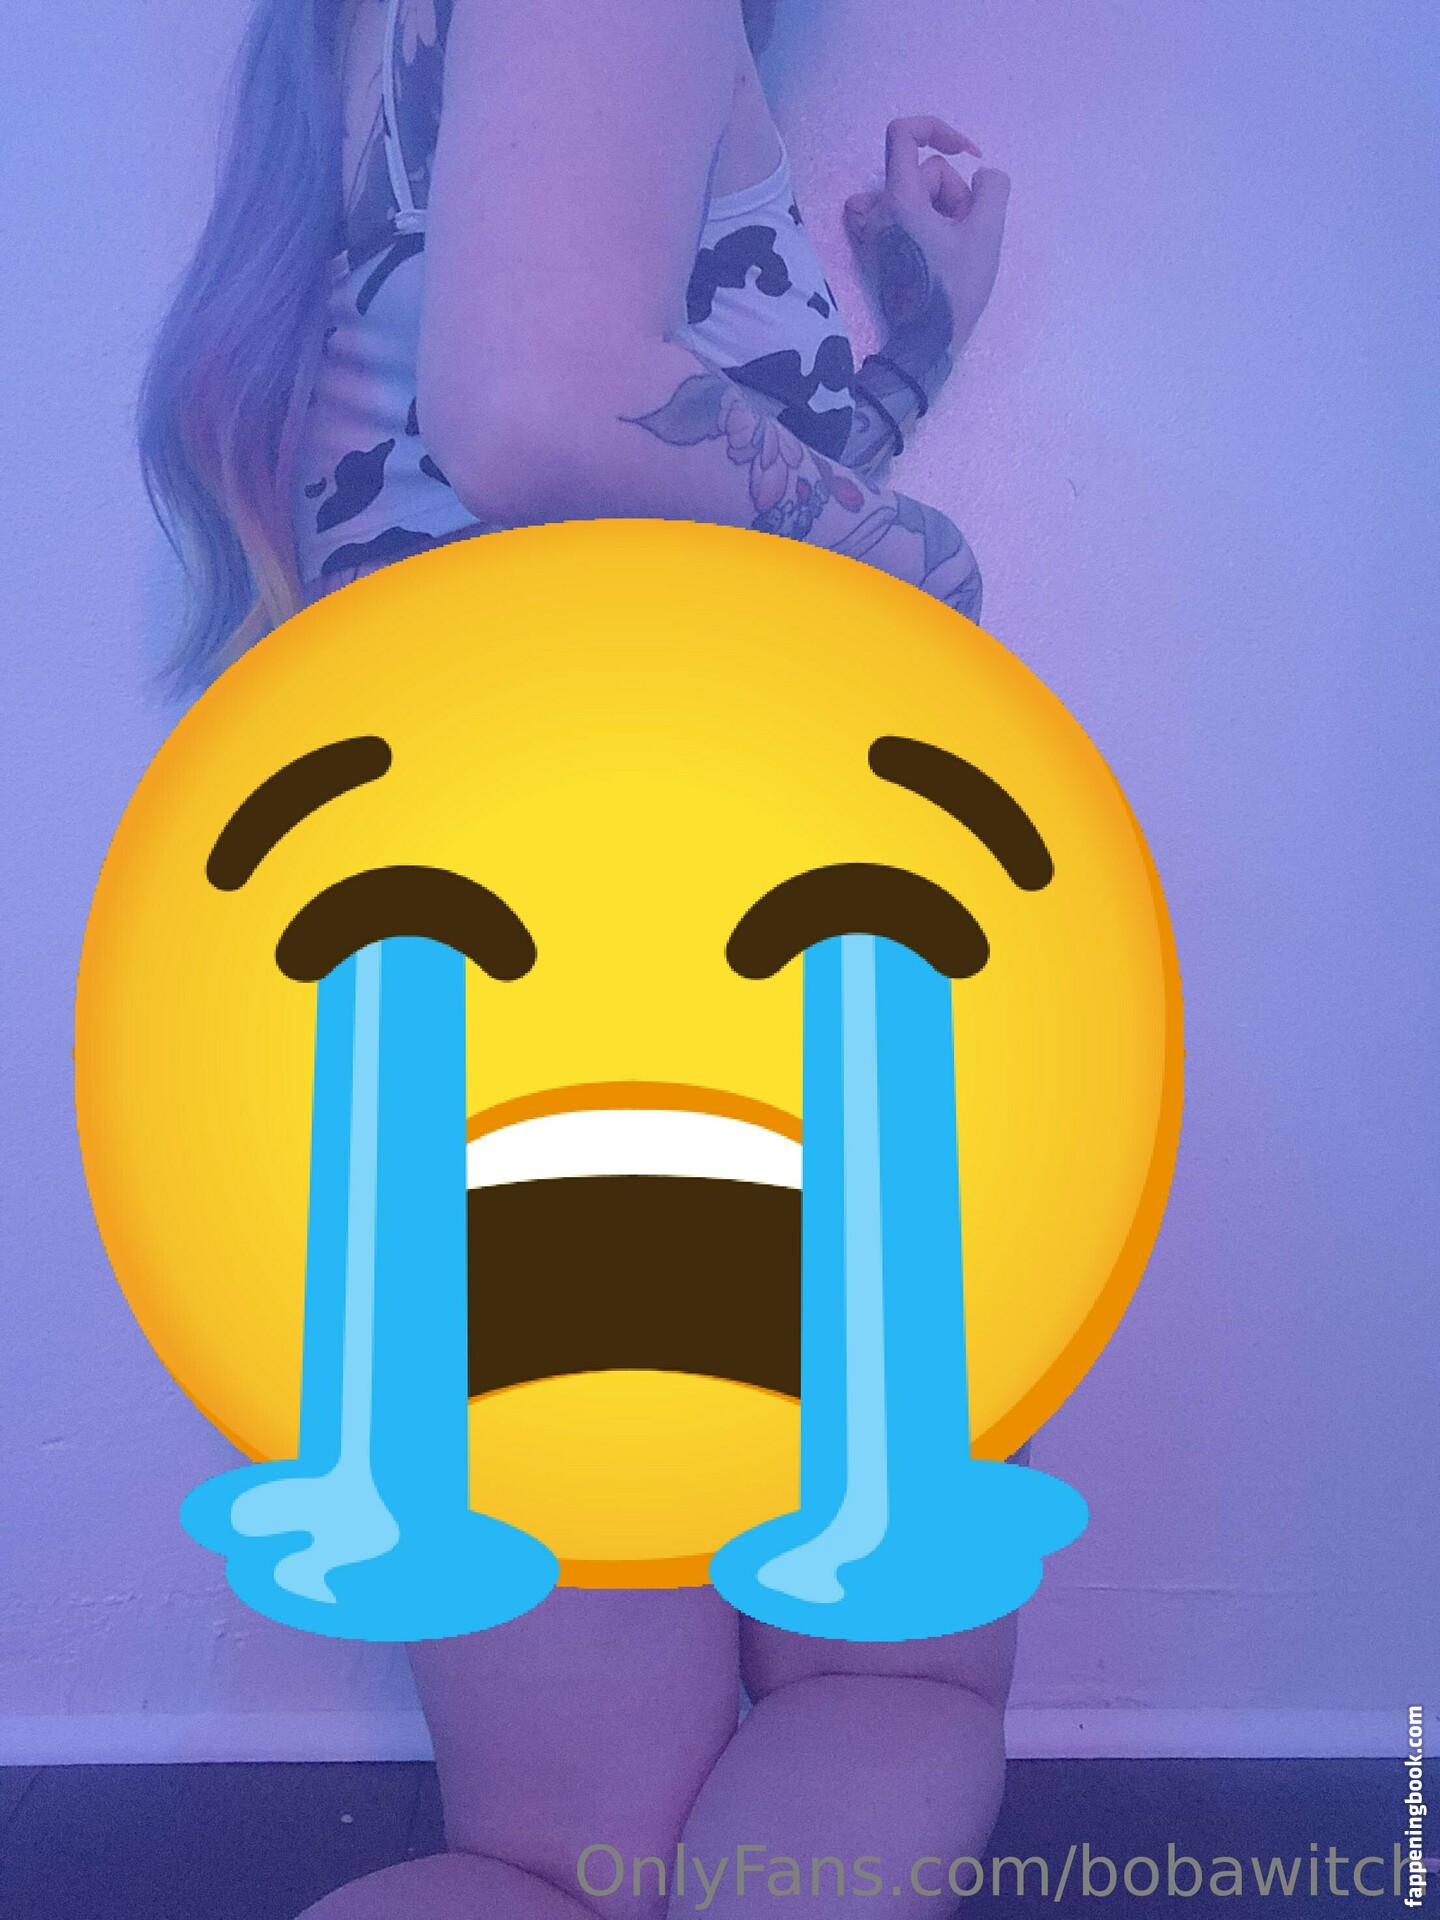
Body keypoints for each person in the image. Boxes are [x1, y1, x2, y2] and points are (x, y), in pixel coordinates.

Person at [140, 2, 1025, 1913]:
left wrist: (901, 369)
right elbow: (544, 412)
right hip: (718, 955)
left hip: (438, 982)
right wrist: (930, 564)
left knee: (551, 1853)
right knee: (885, 1680)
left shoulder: (361, 46)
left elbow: (577, 467)